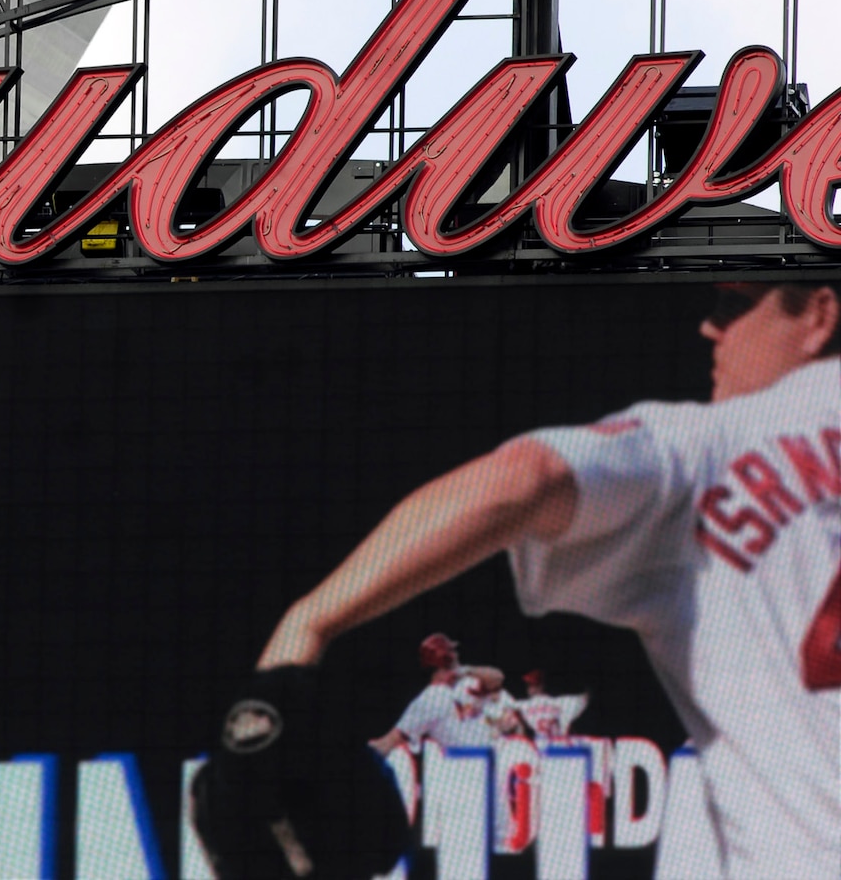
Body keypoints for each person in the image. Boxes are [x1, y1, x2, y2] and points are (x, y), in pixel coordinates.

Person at [258, 281, 841, 878]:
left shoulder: (708, 448)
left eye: (734, 306)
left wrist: (305, 625)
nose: (710, 328)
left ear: (820, 316)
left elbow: (521, 478)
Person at [372, 632, 508, 755]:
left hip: (497, 755)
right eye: (453, 651)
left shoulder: (467, 683)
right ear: (446, 657)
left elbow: (498, 678)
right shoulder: (431, 697)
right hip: (467, 764)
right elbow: (392, 740)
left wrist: (465, 670)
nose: (457, 654)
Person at [515, 669, 589, 743]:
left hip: (539, 749)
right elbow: (587, 696)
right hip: (561, 747)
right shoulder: (564, 702)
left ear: (541, 685)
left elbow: (507, 705)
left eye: (531, 685)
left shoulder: (524, 705)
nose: (530, 688)